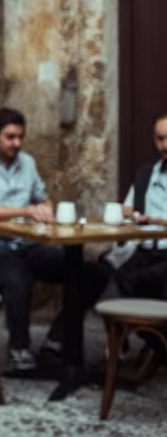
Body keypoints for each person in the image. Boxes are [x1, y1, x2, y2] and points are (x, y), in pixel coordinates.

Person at [0, 108, 110, 372]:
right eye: (10, 137)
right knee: (18, 275)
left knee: (92, 271)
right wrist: (27, 211)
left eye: (21, 137)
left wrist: (45, 207)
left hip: (22, 243)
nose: (17, 143)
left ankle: (57, 342)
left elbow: (41, 196)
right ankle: (19, 350)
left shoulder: (27, 162)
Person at [114, 113, 167, 375]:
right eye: (160, 139)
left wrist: (155, 219)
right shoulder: (146, 174)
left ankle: (156, 346)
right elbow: (127, 207)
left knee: (147, 280)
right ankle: (149, 344)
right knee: (114, 277)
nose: (165, 145)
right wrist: (132, 216)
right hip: (145, 251)